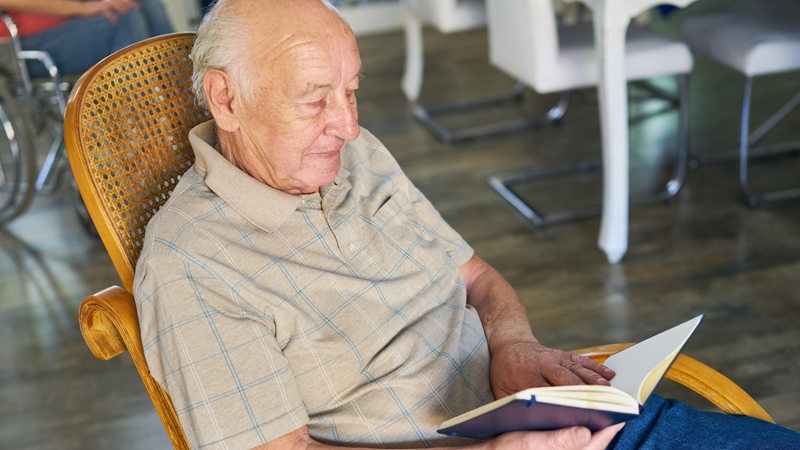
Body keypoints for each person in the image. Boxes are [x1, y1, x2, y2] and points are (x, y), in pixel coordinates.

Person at [133, 1, 800, 449]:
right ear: (226, 99)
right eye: (316, 100)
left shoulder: (351, 156)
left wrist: (512, 345)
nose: (350, 125)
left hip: (553, 422)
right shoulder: (192, 265)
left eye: (353, 90)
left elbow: (476, 278)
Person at [0, 0, 173, 78]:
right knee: (124, 19)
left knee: (148, 4)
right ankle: (140, 130)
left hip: (72, 24)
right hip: (24, 46)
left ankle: (187, 106)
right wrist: (82, 8)